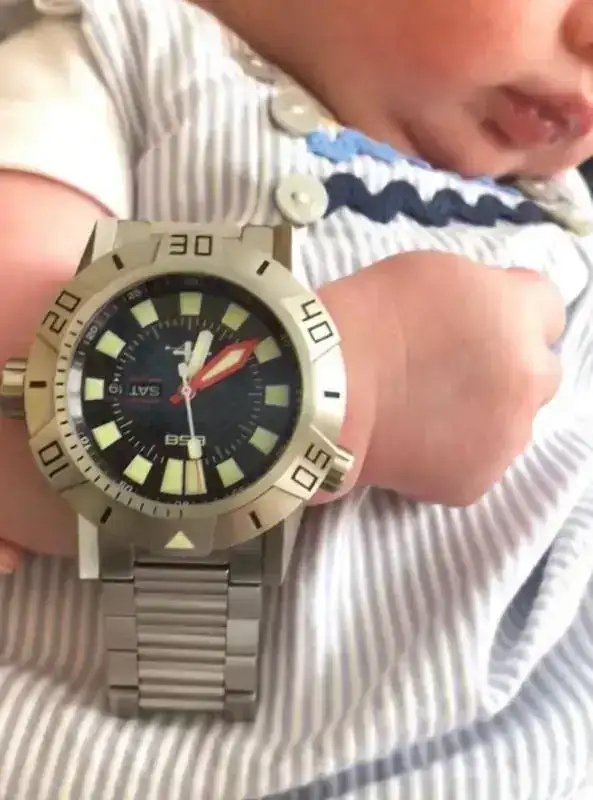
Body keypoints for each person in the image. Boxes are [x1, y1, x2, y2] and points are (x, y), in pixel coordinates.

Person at [0, 0, 592, 796]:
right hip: (115, 762)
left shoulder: (564, 223)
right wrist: (343, 378)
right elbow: (15, 404)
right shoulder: (120, 58)